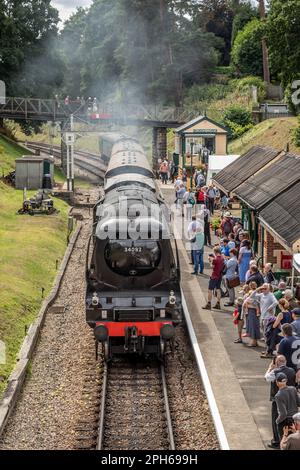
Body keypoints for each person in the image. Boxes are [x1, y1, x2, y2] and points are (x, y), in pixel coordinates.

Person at [265, 355, 296, 448]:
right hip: (290, 399)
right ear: (286, 361)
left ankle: (276, 441)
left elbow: (266, 378)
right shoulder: (292, 370)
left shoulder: (275, 371)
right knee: (289, 422)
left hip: (278, 400)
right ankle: (288, 441)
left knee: (277, 421)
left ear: (277, 362)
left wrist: (270, 368)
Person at [274, 372, 300, 440]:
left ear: (277, 382)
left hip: (286, 422)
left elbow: (283, 413)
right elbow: (299, 403)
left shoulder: (278, 395)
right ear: (286, 380)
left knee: (284, 443)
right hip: (296, 421)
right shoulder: (293, 389)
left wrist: (277, 421)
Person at [203, 246, 225, 310]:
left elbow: (212, 266)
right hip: (219, 276)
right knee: (218, 289)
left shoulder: (215, 259)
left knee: (210, 290)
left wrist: (210, 261)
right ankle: (218, 303)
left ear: (215, 252)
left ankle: (208, 304)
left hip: (214, 276)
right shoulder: (222, 258)